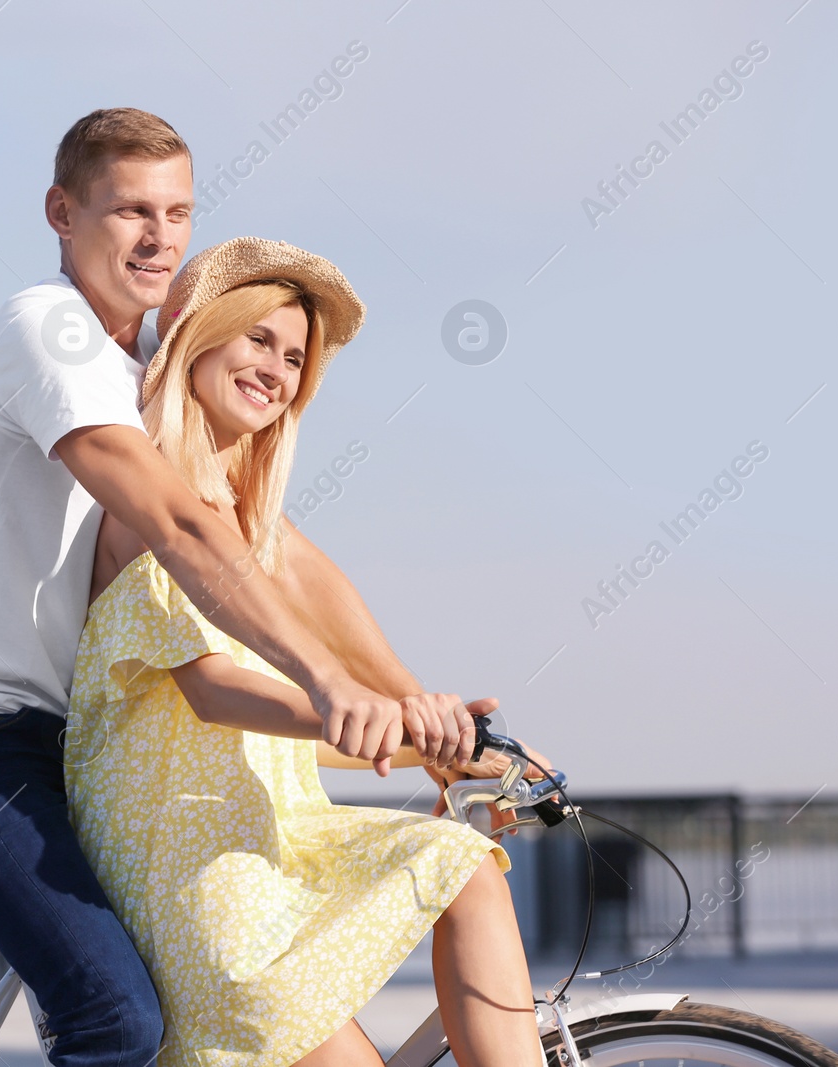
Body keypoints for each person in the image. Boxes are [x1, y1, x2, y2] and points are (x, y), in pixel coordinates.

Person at [0, 109, 491, 1067]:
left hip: (68, 745)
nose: (157, 237)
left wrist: (419, 718)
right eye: (129, 211)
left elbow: (290, 560)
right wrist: (326, 685)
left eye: (177, 212)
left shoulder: (151, 382)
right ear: (62, 213)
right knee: (115, 1019)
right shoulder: (50, 331)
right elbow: (180, 525)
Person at [65, 237, 547, 1067]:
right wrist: (391, 718)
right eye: (259, 338)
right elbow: (218, 694)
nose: (278, 369)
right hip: (199, 876)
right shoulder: (153, 509)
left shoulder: (250, 526)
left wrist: (439, 740)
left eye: (295, 357)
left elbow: (315, 698)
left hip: (277, 848)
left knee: (465, 862)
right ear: (200, 335)